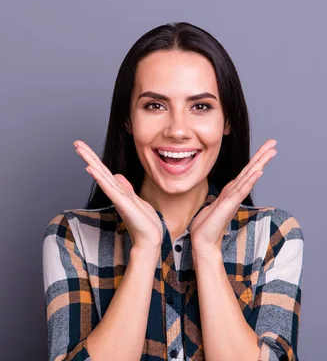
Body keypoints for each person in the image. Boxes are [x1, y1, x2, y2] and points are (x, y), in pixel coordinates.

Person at [42, 22, 304, 361]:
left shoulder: (273, 235)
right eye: (154, 105)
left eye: (200, 106)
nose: (178, 131)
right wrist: (146, 248)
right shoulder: (73, 236)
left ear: (227, 120)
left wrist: (207, 250)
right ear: (127, 119)